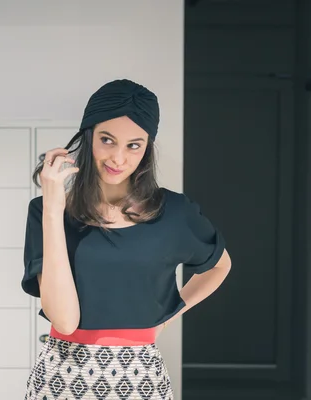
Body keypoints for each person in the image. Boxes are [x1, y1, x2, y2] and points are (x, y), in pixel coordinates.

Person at [21, 79, 232, 400]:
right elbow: (64, 321)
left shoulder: (175, 212)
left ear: (147, 147)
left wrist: (167, 317)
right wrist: (53, 207)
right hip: (62, 375)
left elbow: (219, 267)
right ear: (88, 137)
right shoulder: (45, 212)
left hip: (140, 376)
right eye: (107, 140)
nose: (118, 157)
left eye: (134, 145)